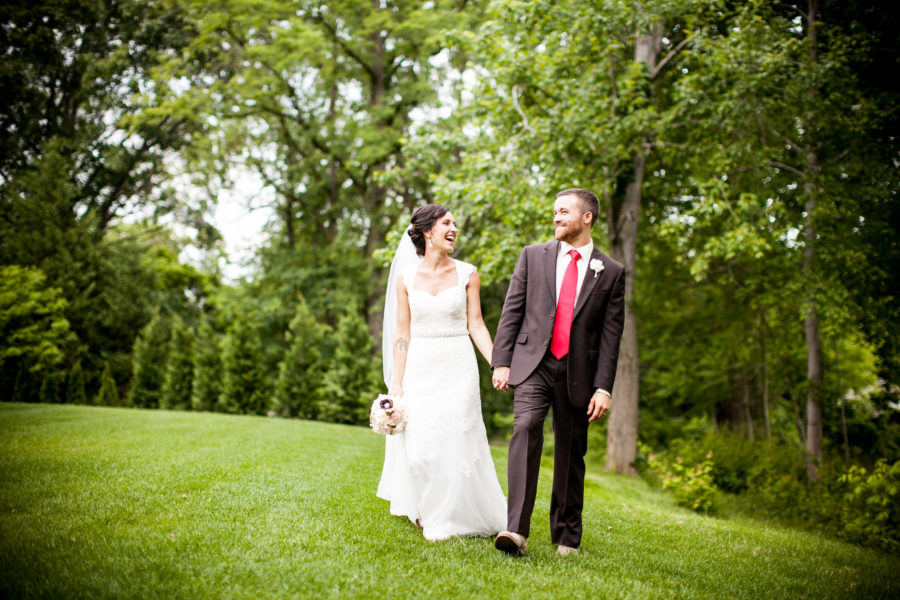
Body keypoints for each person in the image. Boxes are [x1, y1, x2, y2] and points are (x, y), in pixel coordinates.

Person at [490, 188, 625, 556]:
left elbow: (612, 336)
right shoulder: (533, 256)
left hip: (578, 372)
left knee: (570, 451)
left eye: (564, 211)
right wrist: (502, 360)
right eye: (554, 212)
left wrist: (604, 388)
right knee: (526, 427)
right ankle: (514, 530)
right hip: (533, 362)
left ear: (587, 217)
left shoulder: (611, 271)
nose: (556, 218)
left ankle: (566, 536)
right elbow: (512, 310)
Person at [376, 204, 506, 541]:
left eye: (454, 223)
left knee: (459, 440)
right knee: (421, 447)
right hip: (420, 366)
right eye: (446, 223)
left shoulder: (467, 273)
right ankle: (426, 508)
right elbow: (402, 333)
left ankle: (449, 517)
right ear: (426, 231)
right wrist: (398, 383)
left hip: (458, 363)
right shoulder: (406, 279)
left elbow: (475, 324)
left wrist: (497, 363)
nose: (454, 229)